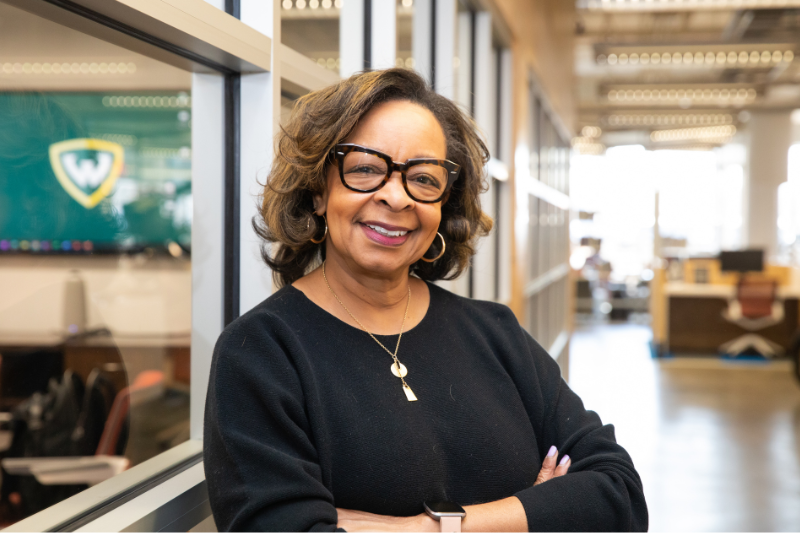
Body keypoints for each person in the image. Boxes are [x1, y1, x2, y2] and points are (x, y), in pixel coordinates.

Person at [203, 68, 648, 532]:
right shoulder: (260, 352)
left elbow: (618, 495)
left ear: (443, 204)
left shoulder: (494, 332)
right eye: (365, 170)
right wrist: (533, 512)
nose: (396, 197)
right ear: (318, 190)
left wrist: (423, 527)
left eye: (424, 179)